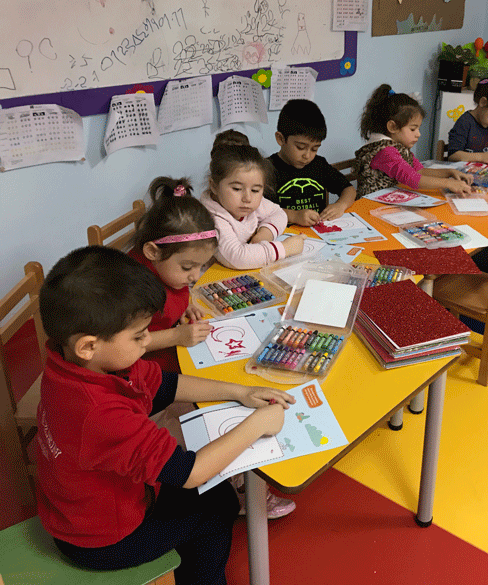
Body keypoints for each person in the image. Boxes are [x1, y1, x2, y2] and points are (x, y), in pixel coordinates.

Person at [35, 246, 296, 585]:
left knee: (216, 494)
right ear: (88, 345)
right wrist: (256, 424)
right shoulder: (100, 413)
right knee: (216, 510)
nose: (148, 341)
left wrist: (240, 392)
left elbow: (164, 384)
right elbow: (190, 473)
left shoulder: (75, 363)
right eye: (139, 336)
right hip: (101, 540)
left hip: (80, 507)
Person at [130, 176, 216, 374]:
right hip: (145, 369)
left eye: (201, 266)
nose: (195, 277)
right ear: (153, 252)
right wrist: (176, 336)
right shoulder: (133, 288)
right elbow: (127, 343)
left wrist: (184, 306)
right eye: (187, 267)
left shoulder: (167, 269)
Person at [201, 134, 305, 270]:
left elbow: (278, 213)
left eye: (255, 190)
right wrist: (285, 248)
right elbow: (238, 258)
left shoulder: (247, 202)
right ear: (214, 186)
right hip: (212, 277)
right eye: (237, 189)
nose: (247, 198)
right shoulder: (211, 219)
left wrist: (265, 233)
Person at [355, 84, 473, 198]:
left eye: (418, 128)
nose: (418, 134)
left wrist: (450, 172)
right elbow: (413, 179)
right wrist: (448, 183)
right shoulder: (385, 152)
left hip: (389, 199)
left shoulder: (399, 147)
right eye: (413, 129)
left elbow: (420, 171)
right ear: (393, 127)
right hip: (370, 205)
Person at [265, 99, 357, 226]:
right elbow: (260, 211)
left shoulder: (319, 165)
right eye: (300, 147)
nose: (307, 156)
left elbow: (349, 189)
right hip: (283, 234)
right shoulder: (266, 169)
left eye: (314, 149)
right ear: (281, 139)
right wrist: (294, 216)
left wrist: (340, 205)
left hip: (319, 232)